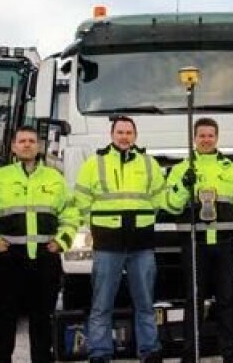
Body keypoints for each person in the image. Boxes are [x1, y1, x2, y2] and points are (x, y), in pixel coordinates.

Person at [74, 116, 189, 363]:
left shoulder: (149, 164)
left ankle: (150, 352)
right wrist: (95, 228)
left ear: (135, 136)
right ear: (112, 134)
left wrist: (182, 189)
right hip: (107, 246)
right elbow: (81, 202)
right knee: (101, 304)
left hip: (141, 246)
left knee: (146, 303)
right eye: (120, 132)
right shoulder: (94, 163)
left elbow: (164, 202)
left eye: (129, 132)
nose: (124, 136)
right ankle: (100, 353)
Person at [0, 125, 79, 363]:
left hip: (44, 260)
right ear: (13, 147)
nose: (27, 145)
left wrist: (61, 242)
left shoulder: (54, 178)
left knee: (42, 321)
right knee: (4, 320)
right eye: (22, 141)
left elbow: (71, 215)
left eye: (31, 141)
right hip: (10, 260)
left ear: (39, 146)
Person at [166, 117, 233, 363]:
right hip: (195, 244)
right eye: (201, 136)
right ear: (194, 138)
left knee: (227, 299)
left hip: (225, 243)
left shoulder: (232, 169)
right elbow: (171, 205)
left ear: (217, 137)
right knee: (193, 299)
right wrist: (184, 185)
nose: (206, 140)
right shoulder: (181, 169)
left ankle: (229, 353)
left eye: (210, 135)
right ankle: (190, 354)